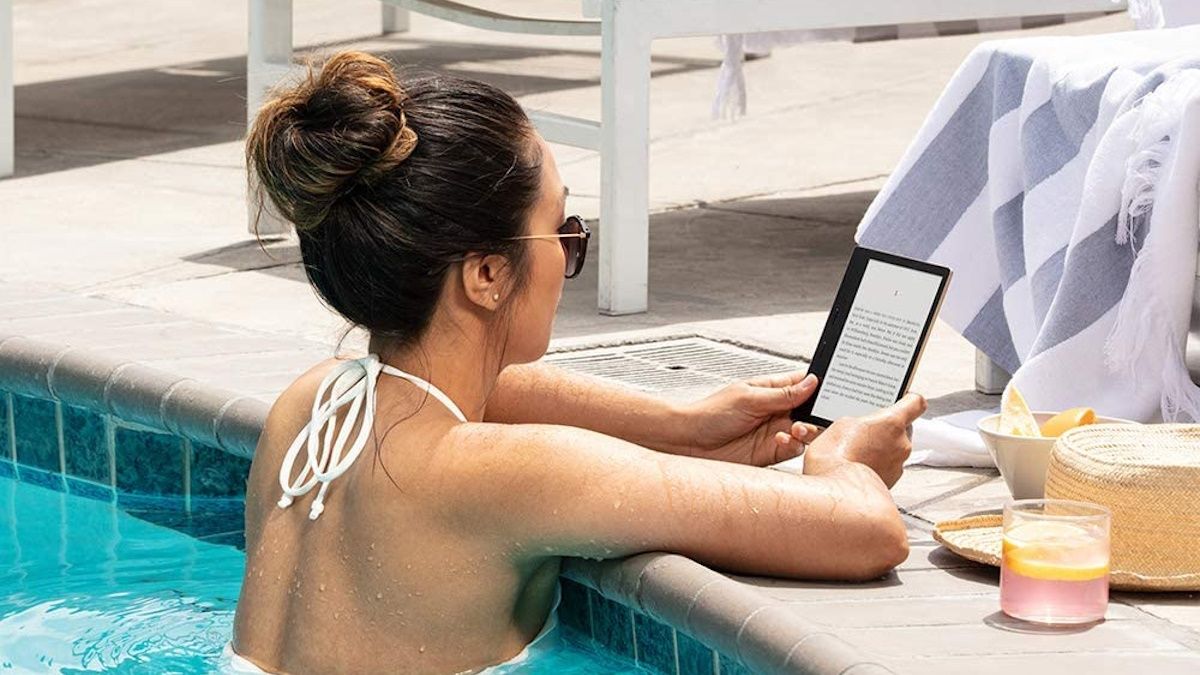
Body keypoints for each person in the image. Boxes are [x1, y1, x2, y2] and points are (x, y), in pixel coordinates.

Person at [231, 50, 925, 674]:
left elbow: (493, 394)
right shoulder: (516, 475)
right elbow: (865, 530)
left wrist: (684, 423)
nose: (567, 256)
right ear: (487, 275)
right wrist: (847, 461)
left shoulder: (314, 404)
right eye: (563, 231)